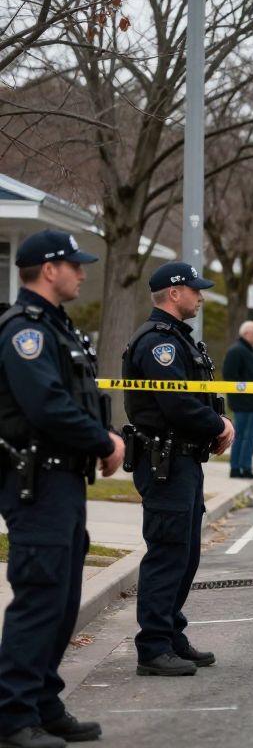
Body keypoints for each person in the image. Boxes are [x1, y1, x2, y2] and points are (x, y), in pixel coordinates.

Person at [0, 230, 125, 748]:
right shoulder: (24, 331)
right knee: (40, 596)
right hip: (37, 481)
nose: (81, 272)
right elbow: (46, 405)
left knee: (63, 596)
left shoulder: (57, 327)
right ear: (48, 270)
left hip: (63, 480)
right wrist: (104, 441)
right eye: (73, 265)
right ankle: (12, 715)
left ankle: (43, 702)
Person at [122, 262, 234, 677]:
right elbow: (176, 403)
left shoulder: (180, 341)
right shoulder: (158, 343)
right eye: (194, 289)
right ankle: (152, 646)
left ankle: (170, 632)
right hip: (164, 461)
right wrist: (219, 424)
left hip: (183, 459)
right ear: (173, 293)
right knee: (168, 553)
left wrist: (212, 427)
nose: (200, 296)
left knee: (184, 554)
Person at [223, 321, 253, 479]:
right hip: (245, 405)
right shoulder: (236, 351)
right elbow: (230, 377)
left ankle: (245, 467)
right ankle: (237, 468)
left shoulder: (251, 352)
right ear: (245, 334)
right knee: (242, 437)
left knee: (249, 438)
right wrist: (240, 399)